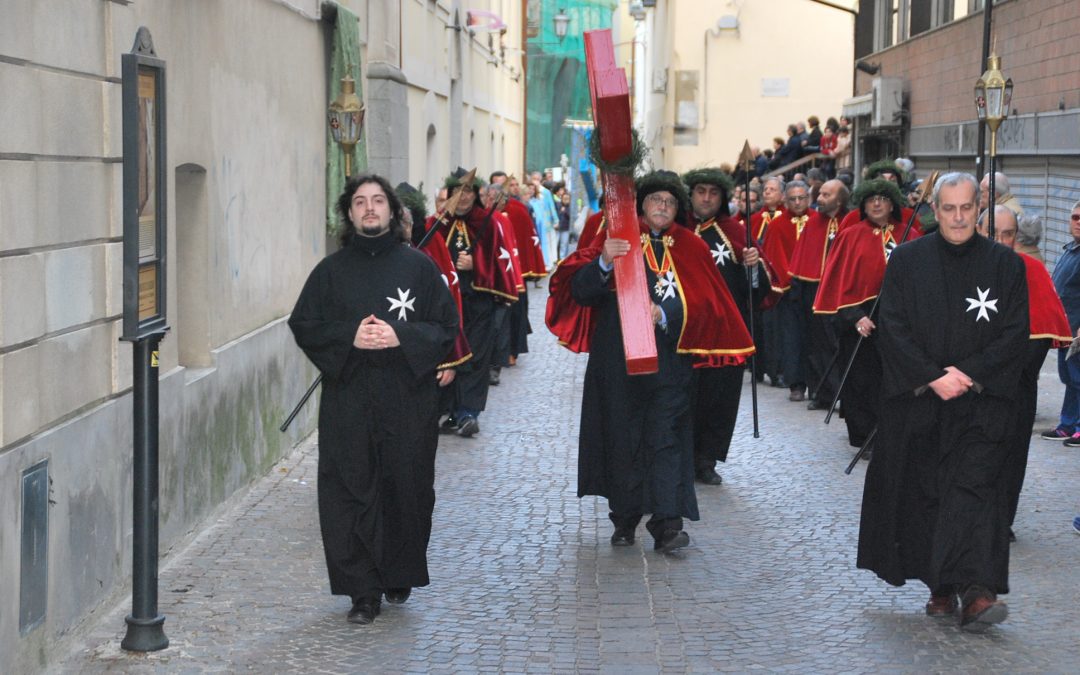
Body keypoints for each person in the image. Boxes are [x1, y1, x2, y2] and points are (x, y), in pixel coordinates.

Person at [857, 172, 1029, 633]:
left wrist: (968, 374)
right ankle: (940, 584)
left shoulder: (1006, 266)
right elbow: (891, 325)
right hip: (922, 403)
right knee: (928, 494)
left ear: (979, 209)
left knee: (974, 493)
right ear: (935, 209)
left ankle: (977, 592)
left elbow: (1015, 333)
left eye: (966, 208)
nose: (957, 217)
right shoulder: (908, 260)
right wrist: (933, 377)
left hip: (981, 404)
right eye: (948, 208)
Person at [546, 170, 754, 552]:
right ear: (641, 204)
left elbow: (707, 303)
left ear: (678, 209)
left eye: (670, 202)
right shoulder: (615, 238)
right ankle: (624, 519)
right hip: (617, 361)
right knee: (622, 437)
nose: (663, 206)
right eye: (656, 200)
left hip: (670, 365)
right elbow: (581, 290)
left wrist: (668, 314)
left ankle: (667, 524)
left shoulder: (690, 246)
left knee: (667, 439)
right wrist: (605, 262)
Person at [289, 174, 459, 625]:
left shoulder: (419, 268)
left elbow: (446, 327)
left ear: (393, 212)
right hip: (349, 399)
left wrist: (399, 335)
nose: (370, 208)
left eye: (378, 201)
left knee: (407, 487)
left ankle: (398, 571)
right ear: (348, 213)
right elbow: (304, 324)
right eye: (360, 202)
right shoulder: (330, 271)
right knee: (349, 489)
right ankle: (362, 590)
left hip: (408, 399)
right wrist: (351, 338)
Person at [684, 168, 779, 485]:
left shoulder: (736, 232)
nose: (707, 198)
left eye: (713, 192)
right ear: (691, 194)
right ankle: (679, 457)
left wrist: (752, 267)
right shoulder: (676, 230)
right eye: (701, 191)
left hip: (725, 334)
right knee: (682, 398)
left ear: (722, 197)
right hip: (682, 334)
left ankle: (706, 459)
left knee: (718, 400)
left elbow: (757, 291)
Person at [814, 179, 918, 447]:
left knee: (893, 380)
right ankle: (866, 435)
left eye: (882, 198)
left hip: (897, 321)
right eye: (871, 199)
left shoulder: (909, 234)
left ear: (892, 203)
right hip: (860, 320)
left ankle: (891, 433)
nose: (876, 203)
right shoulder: (851, 235)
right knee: (862, 381)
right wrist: (854, 316)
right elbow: (838, 282)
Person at [985, 208, 1070, 540]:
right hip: (967, 386)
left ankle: (1001, 520)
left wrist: (1006, 372)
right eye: (994, 232)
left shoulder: (1031, 270)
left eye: (1008, 234)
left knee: (1011, 455)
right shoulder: (963, 269)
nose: (1002, 241)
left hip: (1015, 387)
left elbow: (1041, 336)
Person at [426, 168, 519, 437]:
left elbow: (499, 263)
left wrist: (475, 265)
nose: (463, 197)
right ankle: (450, 411)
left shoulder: (486, 223)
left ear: (476, 195)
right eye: (458, 192)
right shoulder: (438, 223)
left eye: (468, 192)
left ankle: (468, 412)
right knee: (449, 356)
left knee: (475, 358)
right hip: (446, 306)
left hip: (478, 303)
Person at [790, 179, 848, 410]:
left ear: (840, 199)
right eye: (820, 194)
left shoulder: (850, 221)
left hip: (843, 293)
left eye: (826, 195)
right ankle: (821, 393)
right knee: (816, 346)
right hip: (814, 292)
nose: (820, 199)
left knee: (840, 346)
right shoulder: (813, 223)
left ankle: (843, 394)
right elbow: (804, 257)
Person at [1041, 200, 1080, 443]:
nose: (1079, 222)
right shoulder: (1070, 250)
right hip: (1064, 331)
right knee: (1069, 379)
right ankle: (1067, 424)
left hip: (1077, 332)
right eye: (1075, 217)